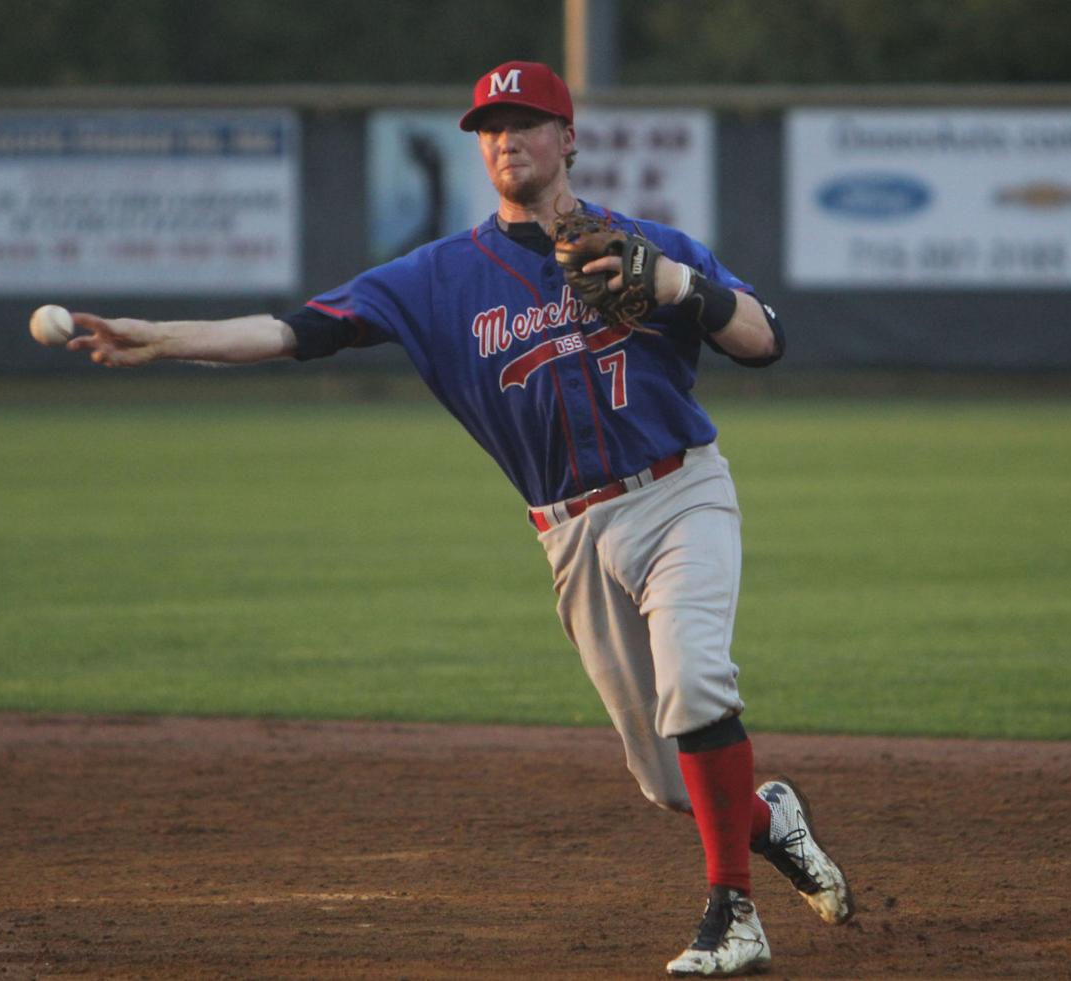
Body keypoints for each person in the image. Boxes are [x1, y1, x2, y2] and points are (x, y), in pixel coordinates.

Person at [68, 60, 853, 977]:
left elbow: (765, 341)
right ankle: (774, 822)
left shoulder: (649, 245)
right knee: (664, 778)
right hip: (569, 532)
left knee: (698, 682)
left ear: (568, 139)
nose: (505, 138)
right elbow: (295, 333)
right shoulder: (435, 278)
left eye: (525, 120)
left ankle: (735, 916)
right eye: (489, 126)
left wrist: (680, 286)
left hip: (681, 492)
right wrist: (161, 339)